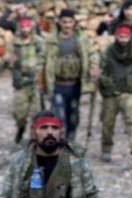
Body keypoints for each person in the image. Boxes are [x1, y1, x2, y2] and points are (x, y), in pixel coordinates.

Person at [42, 8, 99, 141]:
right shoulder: (51, 40)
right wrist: (40, 80)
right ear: (59, 23)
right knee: (58, 116)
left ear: (74, 23)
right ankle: (59, 142)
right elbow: (42, 59)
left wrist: (94, 66)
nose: (67, 25)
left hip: (75, 85)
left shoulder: (82, 39)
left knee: (72, 116)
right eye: (64, 22)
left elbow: (92, 54)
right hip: (57, 85)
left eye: (70, 22)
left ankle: (70, 138)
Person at [98, 23, 132, 165]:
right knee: (108, 122)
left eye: (126, 37)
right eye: (120, 36)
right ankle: (106, 148)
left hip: (129, 91)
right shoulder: (109, 52)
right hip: (111, 92)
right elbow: (101, 71)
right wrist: (104, 84)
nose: (123, 39)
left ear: (130, 37)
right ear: (116, 36)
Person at [5, 16, 45, 144]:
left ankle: (35, 139)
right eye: (23, 27)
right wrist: (8, 61)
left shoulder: (38, 41)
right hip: (20, 83)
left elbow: (43, 57)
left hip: (34, 82)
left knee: (37, 113)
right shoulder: (14, 43)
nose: (25, 29)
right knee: (20, 114)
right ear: (19, 28)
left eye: (28, 27)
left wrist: (36, 69)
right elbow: (7, 58)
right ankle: (21, 128)